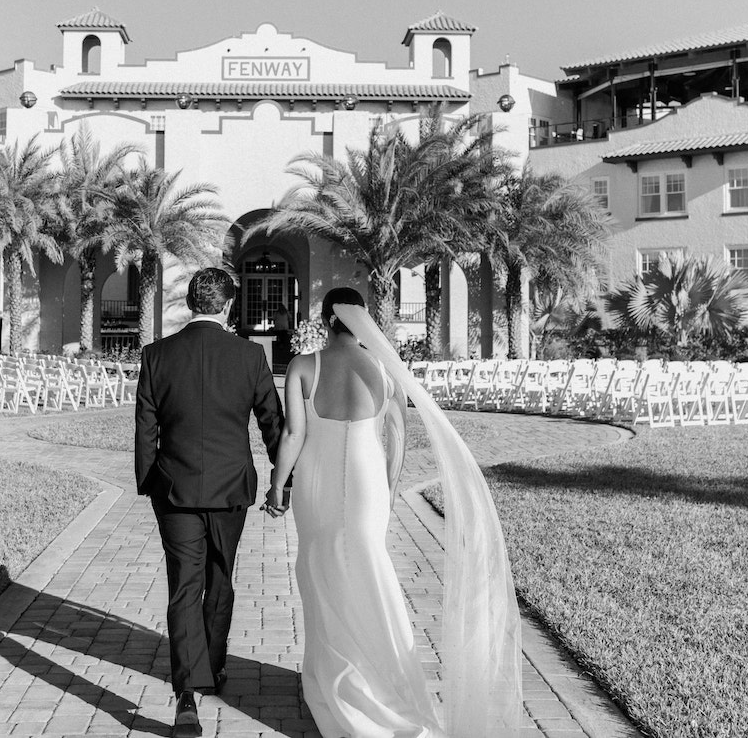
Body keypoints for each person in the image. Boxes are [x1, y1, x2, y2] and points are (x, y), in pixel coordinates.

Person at [262, 287, 522, 738]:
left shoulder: (304, 366)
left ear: (326, 320)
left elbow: (291, 436)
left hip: (315, 483)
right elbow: (398, 439)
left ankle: (332, 675)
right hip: (369, 486)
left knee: (320, 572)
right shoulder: (386, 370)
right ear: (362, 321)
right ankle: (374, 675)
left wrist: (276, 486)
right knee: (369, 572)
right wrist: (390, 488)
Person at [135, 267, 284, 738]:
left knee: (183, 586)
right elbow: (271, 424)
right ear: (226, 305)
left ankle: (186, 695)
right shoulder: (249, 356)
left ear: (190, 302)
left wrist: (149, 482)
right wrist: (285, 480)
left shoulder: (157, 355)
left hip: (174, 490)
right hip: (229, 489)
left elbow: (145, 429)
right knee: (221, 579)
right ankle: (213, 668)